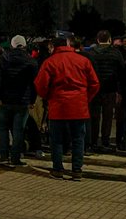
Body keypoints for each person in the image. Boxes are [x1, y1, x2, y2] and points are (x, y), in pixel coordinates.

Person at [34, 36, 99, 179]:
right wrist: (85, 98)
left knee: (56, 139)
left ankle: (58, 169)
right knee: (78, 139)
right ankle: (77, 170)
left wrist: (47, 97)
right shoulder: (83, 61)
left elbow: (40, 85)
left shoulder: (50, 62)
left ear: (53, 47)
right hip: (79, 106)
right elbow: (95, 83)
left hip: (58, 106)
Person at [0, 35, 38, 166]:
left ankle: (3, 156)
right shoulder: (31, 61)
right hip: (22, 101)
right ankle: (15, 158)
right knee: (18, 130)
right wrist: (32, 100)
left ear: (12, 45)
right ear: (24, 45)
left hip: (5, 100)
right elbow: (34, 83)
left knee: (3, 128)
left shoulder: (3, 59)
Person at [85, 30, 124, 152]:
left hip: (94, 88)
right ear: (110, 39)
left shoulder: (90, 53)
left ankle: (93, 141)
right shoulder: (116, 53)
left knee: (94, 116)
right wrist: (119, 90)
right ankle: (105, 141)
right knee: (107, 117)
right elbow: (121, 72)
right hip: (110, 88)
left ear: (97, 40)